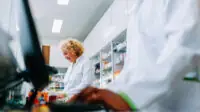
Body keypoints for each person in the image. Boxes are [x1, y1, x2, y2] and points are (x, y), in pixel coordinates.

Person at [68, 0, 200, 112]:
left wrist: (128, 96)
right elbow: (134, 68)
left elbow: (184, 48)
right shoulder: (137, 8)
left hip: (181, 104)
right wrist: (104, 93)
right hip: (151, 105)